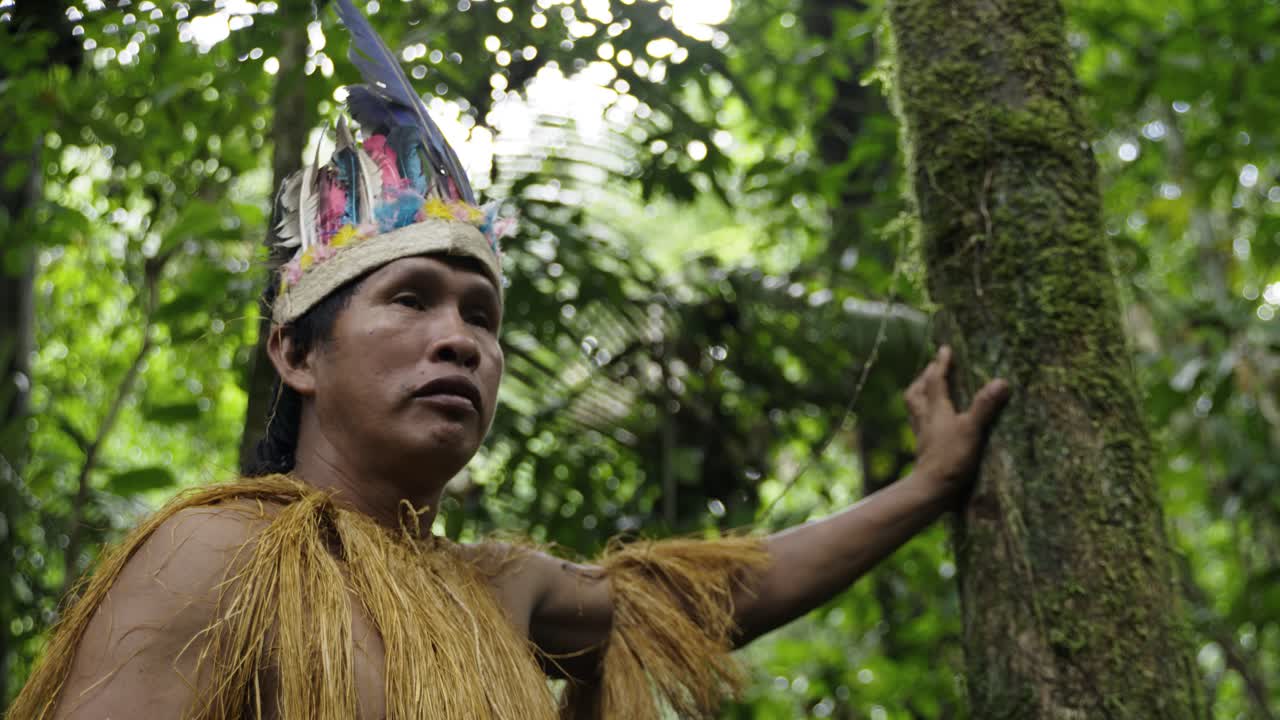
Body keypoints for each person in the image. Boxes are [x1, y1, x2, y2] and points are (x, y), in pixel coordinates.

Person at [7, 2, 1011, 718]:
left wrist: (927, 486)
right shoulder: (210, 557)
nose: (459, 339)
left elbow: (709, 601)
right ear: (295, 354)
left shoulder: (504, 590)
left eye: (481, 316)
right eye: (410, 299)